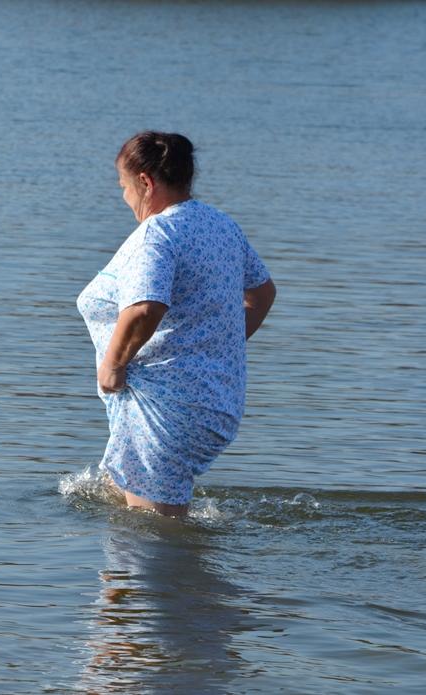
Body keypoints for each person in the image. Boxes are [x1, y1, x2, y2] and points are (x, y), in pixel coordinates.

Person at [76, 131, 276, 518]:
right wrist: (219, 344)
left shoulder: (157, 233)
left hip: (166, 409)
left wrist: (113, 366)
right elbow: (262, 294)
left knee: (149, 548)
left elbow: (145, 307)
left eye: (124, 186)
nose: (124, 197)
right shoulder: (220, 225)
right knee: (124, 524)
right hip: (213, 397)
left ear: (145, 182)